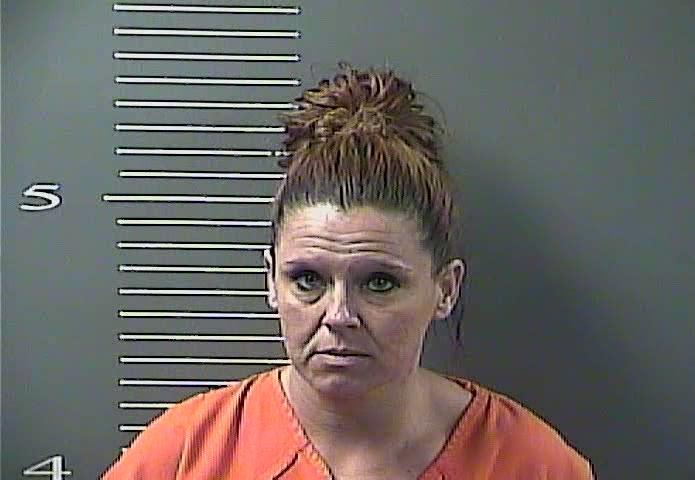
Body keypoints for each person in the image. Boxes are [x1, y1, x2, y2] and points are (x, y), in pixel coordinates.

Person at [100, 62, 594, 479]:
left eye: (379, 283)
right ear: (271, 280)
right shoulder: (186, 455)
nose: (338, 315)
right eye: (308, 281)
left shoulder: (529, 464)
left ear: (445, 289)